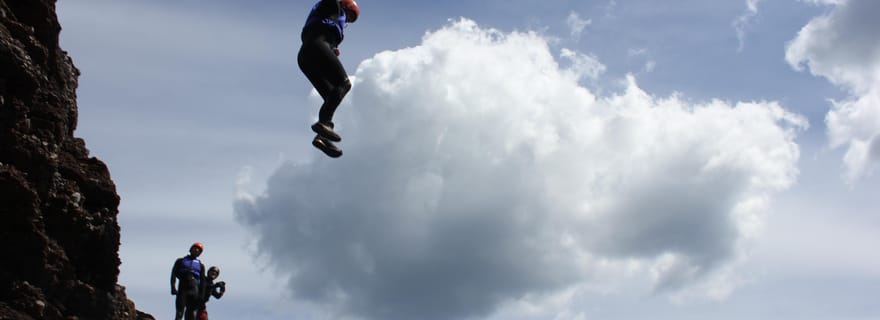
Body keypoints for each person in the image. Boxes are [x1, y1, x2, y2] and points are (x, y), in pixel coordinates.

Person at [298, 0, 361, 158]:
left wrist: (332, 49)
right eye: (349, 15)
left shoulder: (330, 18)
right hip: (316, 46)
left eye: (350, 20)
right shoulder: (332, 5)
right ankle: (324, 125)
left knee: (332, 95)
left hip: (306, 56)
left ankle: (322, 137)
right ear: (345, 6)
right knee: (344, 84)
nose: (347, 20)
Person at [170, 242, 207, 320]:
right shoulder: (180, 261)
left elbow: (203, 282)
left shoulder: (201, 265)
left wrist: (201, 296)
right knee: (179, 312)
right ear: (191, 249)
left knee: (192, 314)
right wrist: (173, 287)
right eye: (195, 248)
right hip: (183, 289)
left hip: (194, 291)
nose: (196, 250)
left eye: (199, 250)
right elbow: (173, 274)